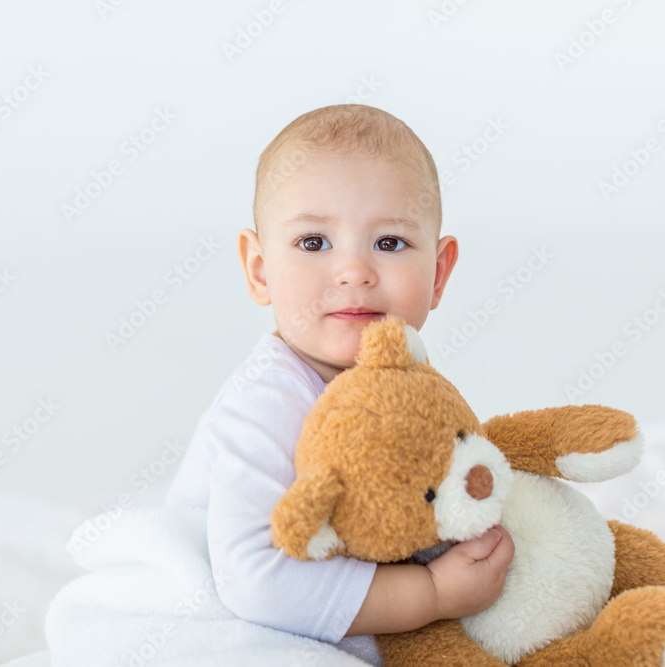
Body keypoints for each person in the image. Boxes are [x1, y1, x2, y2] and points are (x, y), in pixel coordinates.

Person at [165, 104, 514, 665]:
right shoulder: (268, 399)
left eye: (390, 243)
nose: (354, 271)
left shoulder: (409, 388)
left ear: (439, 274)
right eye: (313, 243)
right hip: (225, 620)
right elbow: (253, 580)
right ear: (259, 270)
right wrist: (431, 595)